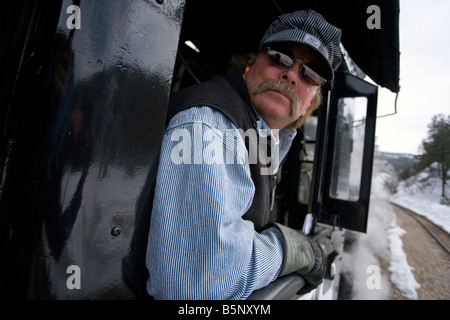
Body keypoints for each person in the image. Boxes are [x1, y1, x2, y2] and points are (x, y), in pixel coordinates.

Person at [146, 10, 342, 300]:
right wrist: (288, 250)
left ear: (310, 101)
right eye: (280, 57)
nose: (290, 74)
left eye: (309, 74)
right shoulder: (208, 128)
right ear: (250, 65)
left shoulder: (271, 134)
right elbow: (194, 283)